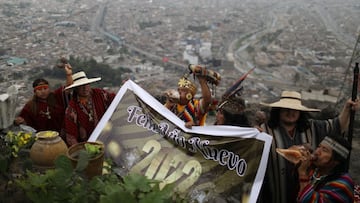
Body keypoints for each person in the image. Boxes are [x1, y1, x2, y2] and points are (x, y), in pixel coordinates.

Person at [257, 90, 360, 203]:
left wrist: (347, 108)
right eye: (286, 109)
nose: (291, 113)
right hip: (274, 191)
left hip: (306, 190)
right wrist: (253, 135)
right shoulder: (265, 131)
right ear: (278, 111)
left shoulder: (312, 127)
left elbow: (337, 126)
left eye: (295, 110)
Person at [14, 63, 73, 135]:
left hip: (63, 134)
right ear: (35, 92)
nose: (43, 91)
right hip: (42, 139)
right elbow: (24, 121)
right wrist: (19, 121)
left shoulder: (56, 96)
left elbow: (68, 88)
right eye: (39, 89)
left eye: (45, 88)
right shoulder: (30, 106)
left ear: (49, 89)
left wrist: (69, 74)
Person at [64, 71, 115, 146]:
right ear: (76, 89)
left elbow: (114, 98)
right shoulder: (72, 108)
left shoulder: (99, 94)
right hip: (86, 145)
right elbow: (71, 135)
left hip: (106, 137)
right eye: (81, 86)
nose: (85, 88)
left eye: (86, 85)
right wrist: (80, 151)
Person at [297, 135, 354, 202]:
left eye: (324, 150)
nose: (317, 152)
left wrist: (302, 173)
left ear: (336, 161)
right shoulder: (316, 171)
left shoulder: (343, 185)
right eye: (318, 146)